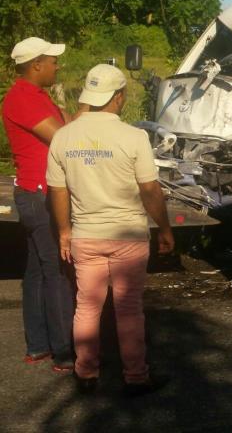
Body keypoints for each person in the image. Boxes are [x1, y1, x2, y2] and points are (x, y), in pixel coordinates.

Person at [46, 64, 175, 396]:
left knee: (86, 306)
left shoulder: (63, 136)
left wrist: (64, 231)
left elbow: (58, 191)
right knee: (128, 308)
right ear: (118, 96)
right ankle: (136, 377)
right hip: (127, 235)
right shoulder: (134, 137)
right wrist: (164, 228)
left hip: (85, 234)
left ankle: (86, 373)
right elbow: (150, 189)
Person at [1, 37, 76, 372]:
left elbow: (68, 124)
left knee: (35, 271)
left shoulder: (37, 95)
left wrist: (90, 110)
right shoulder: (23, 98)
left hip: (33, 192)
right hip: (41, 194)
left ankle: (38, 345)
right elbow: (62, 138)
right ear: (36, 65)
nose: (57, 66)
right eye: (52, 61)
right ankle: (64, 351)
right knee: (57, 271)